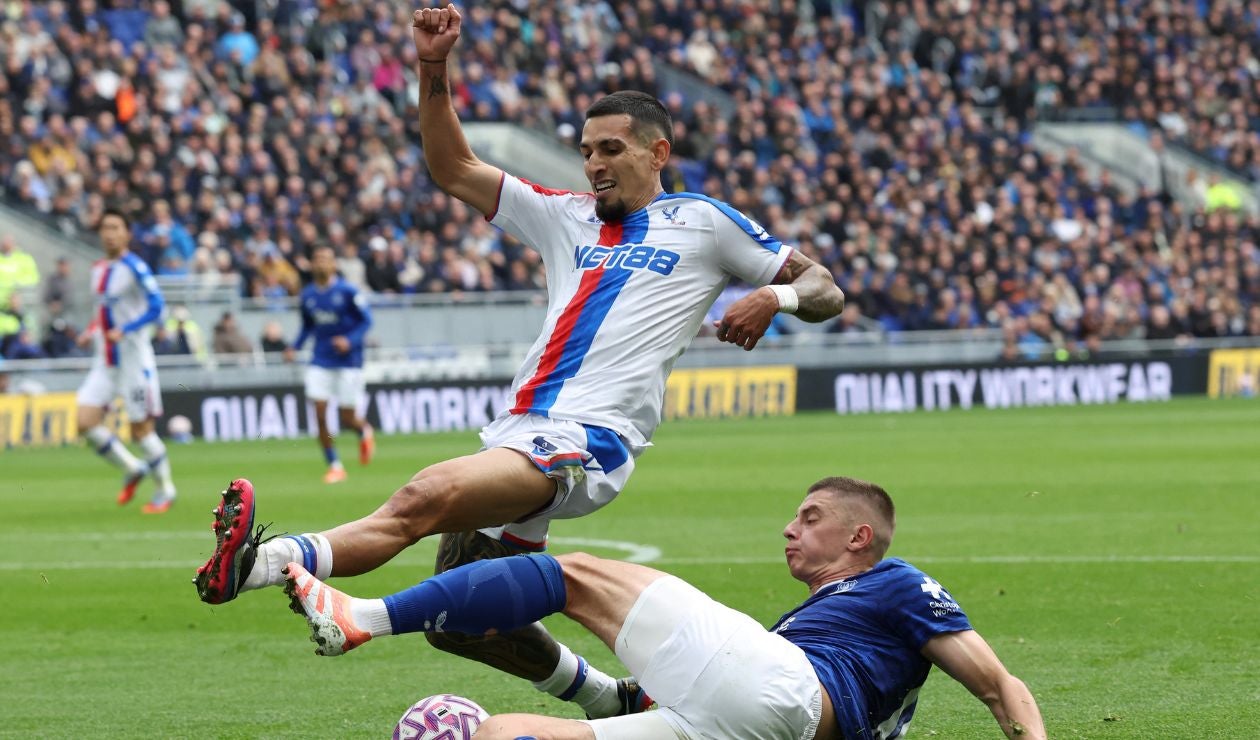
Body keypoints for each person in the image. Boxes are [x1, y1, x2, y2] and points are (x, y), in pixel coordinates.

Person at [193, 2, 844, 722]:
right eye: (587, 150)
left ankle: (260, 564)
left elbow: (826, 287)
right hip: (521, 428)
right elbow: (452, 166)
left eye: (611, 150)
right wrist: (432, 66)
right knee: (463, 616)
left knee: (424, 496)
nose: (593, 163)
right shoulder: (562, 215)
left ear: (657, 153)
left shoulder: (705, 223)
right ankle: (608, 697)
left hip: (588, 438)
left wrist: (775, 297)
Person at [281, 476, 1045, 739]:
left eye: (811, 516)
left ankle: (365, 615)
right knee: (498, 731)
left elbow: (998, 685)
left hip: (788, 696)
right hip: (738, 722)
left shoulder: (896, 581)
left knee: (574, 576)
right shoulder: (812, 623)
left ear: (860, 536)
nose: (790, 525)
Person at [75, 209, 177, 513]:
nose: (109, 233)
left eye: (115, 227)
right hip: (105, 361)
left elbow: (158, 307)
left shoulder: (135, 267)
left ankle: (165, 489)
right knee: (84, 422)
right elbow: (103, 311)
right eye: (105, 227)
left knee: (141, 431)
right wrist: (91, 330)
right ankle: (133, 468)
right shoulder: (98, 269)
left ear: (127, 233)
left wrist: (128, 329)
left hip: (134, 361)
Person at [282, 243, 375, 483]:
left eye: (326, 258)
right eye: (317, 258)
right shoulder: (308, 295)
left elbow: (366, 322)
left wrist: (349, 340)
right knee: (320, 415)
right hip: (320, 360)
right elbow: (308, 326)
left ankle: (364, 430)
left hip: (348, 362)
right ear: (312, 264)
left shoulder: (348, 291)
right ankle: (334, 464)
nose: (322, 262)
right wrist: (295, 346)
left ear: (334, 264)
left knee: (347, 417)